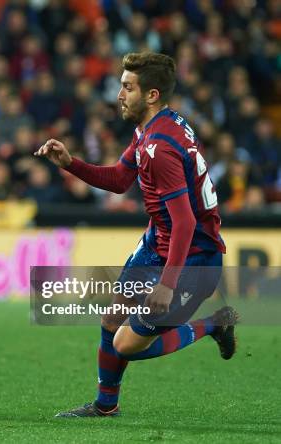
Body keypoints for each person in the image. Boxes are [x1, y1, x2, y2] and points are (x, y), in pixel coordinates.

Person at [35, 52, 238, 417]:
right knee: (112, 320)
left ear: (152, 95)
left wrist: (168, 283)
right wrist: (70, 164)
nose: (119, 94)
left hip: (193, 258)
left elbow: (186, 222)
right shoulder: (154, 128)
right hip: (157, 244)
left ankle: (213, 324)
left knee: (126, 343)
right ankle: (105, 406)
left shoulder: (160, 148)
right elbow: (119, 179)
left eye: (127, 87)